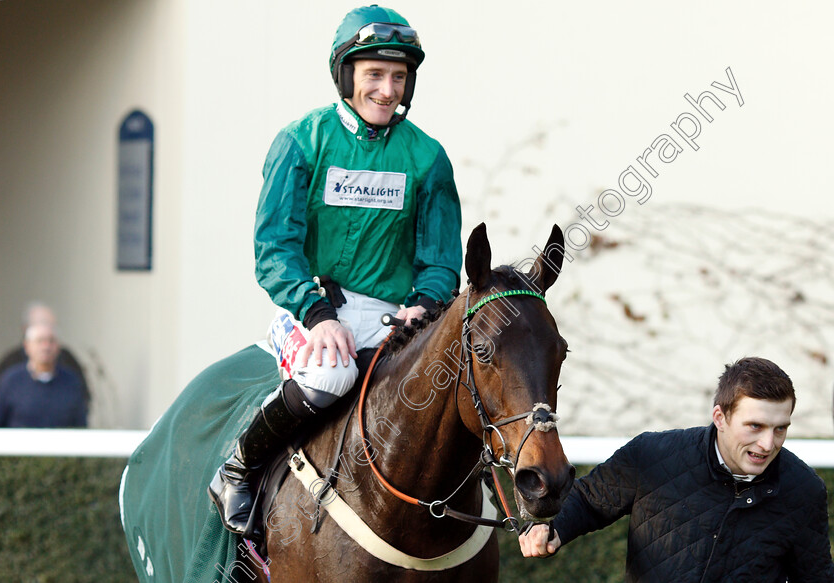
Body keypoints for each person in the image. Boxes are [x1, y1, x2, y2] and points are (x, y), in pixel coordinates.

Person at [207, 4, 462, 538]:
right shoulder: (301, 141)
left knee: (456, 389)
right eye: (374, 75)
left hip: (396, 318)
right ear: (346, 75)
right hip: (315, 307)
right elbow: (275, 248)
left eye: (398, 77)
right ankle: (238, 466)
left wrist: (428, 303)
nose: (387, 90)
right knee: (332, 374)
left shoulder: (430, 158)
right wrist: (318, 314)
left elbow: (440, 261)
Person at [519, 357, 834, 582]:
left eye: (780, 428)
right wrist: (554, 529)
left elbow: (815, 576)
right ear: (720, 417)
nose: (768, 443)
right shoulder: (652, 455)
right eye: (755, 426)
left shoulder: (804, 489)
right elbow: (589, 499)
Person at [0, 322, 88, 428]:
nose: (46, 347)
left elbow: (80, 426)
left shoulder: (71, 382)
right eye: (40, 341)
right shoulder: (11, 380)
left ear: (58, 346)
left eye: (51, 341)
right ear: (27, 346)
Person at [0, 302, 88, 400]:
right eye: (40, 338)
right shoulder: (10, 365)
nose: (46, 346)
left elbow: (82, 400)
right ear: (26, 330)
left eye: (52, 327)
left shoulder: (68, 362)